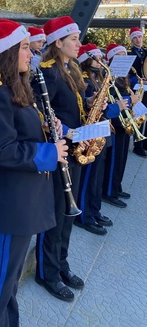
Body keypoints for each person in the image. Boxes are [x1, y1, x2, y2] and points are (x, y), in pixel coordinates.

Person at [0, 19, 68, 327]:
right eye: (25, 47)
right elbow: (1, 149)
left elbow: (22, 131)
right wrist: (50, 153)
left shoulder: (16, 85)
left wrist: (49, 129)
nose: (32, 53)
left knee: (10, 277)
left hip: (22, 198)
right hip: (8, 201)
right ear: (8, 52)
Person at [31, 15, 89, 302]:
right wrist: (68, 131)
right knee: (54, 213)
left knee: (68, 213)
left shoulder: (71, 68)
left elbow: (74, 105)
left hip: (75, 150)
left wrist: (94, 107)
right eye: (74, 39)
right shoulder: (47, 72)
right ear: (58, 42)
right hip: (58, 152)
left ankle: (61, 263)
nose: (79, 44)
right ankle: (47, 271)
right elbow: (40, 114)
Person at [74, 44, 128, 235]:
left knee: (97, 178)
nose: (100, 61)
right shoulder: (85, 82)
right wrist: (116, 107)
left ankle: (94, 210)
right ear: (86, 60)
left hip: (102, 132)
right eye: (96, 59)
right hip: (91, 133)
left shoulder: (98, 78)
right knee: (89, 178)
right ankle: (84, 215)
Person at [102, 43, 138, 208]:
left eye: (125, 56)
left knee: (122, 158)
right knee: (114, 159)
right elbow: (111, 100)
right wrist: (130, 99)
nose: (124, 59)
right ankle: (109, 191)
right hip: (115, 123)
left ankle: (117, 186)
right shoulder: (109, 77)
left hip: (125, 122)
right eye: (119, 56)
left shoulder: (124, 77)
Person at [128, 26, 147, 157]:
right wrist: (139, 81)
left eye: (139, 36)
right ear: (131, 39)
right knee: (139, 115)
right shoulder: (129, 54)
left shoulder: (145, 52)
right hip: (137, 88)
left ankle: (145, 143)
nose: (138, 39)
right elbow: (127, 75)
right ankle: (137, 145)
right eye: (135, 37)